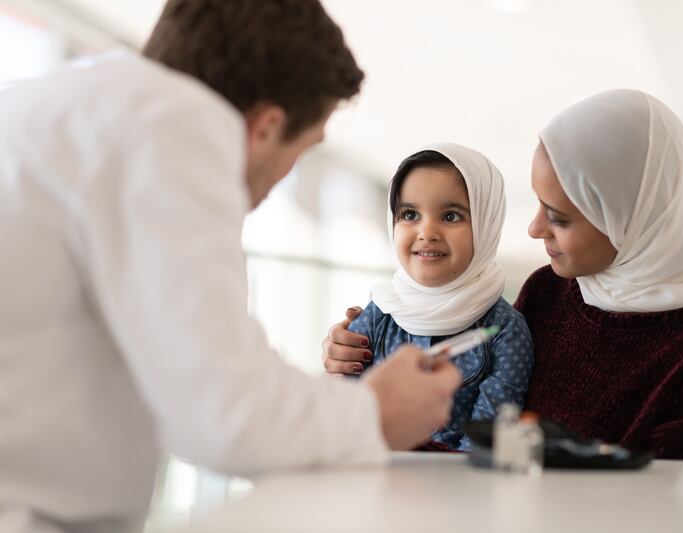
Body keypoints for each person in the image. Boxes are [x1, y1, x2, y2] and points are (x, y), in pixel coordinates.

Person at [0, 1, 460, 532]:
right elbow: (223, 413)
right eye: (303, 150)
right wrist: (375, 413)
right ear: (265, 127)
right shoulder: (172, 124)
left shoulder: (59, 107)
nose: (282, 179)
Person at [323, 89, 683, 459]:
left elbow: (673, 507)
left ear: (631, 217)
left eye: (560, 217)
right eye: (537, 204)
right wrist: (350, 353)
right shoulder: (550, 291)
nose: (534, 229)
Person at [347, 144, 533, 451]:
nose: (426, 231)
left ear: (486, 224)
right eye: (409, 214)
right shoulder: (381, 311)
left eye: (450, 216)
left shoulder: (506, 331)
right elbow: (344, 409)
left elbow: (484, 441)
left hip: (457, 491)